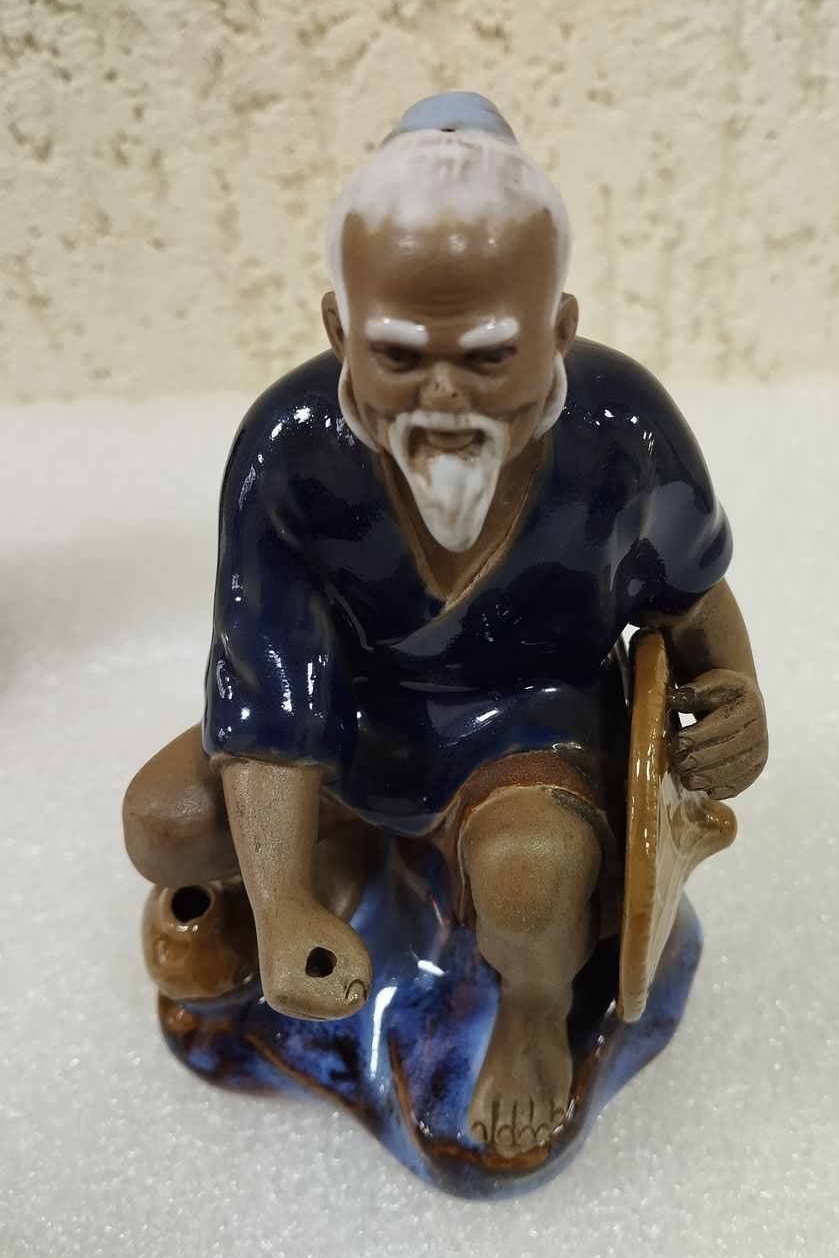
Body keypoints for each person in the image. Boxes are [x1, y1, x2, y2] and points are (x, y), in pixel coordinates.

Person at [124, 94, 767, 1158]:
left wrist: (736, 697)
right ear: (339, 330)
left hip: (533, 724)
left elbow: (690, 601)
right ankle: (327, 893)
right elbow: (271, 688)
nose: (443, 397)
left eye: (488, 356)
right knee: (163, 823)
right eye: (397, 354)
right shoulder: (289, 449)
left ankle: (534, 1013)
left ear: (558, 330)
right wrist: (279, 902)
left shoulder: (624, 429)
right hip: (352, 723)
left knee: (530, 879)